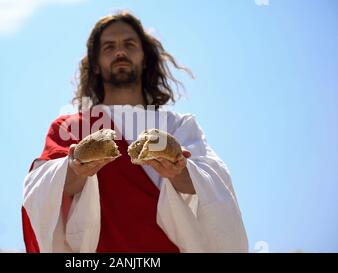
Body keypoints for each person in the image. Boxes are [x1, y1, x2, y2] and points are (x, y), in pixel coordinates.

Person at [22, 11, 248, 253]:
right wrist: (75, 168)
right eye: (109, 47)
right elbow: (43, 189)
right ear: (96, 65)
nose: (120, 51)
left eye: (129, 44)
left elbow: (210, 183)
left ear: (145, 58)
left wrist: (179, 169)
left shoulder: (177, 126)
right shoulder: (71, 128)